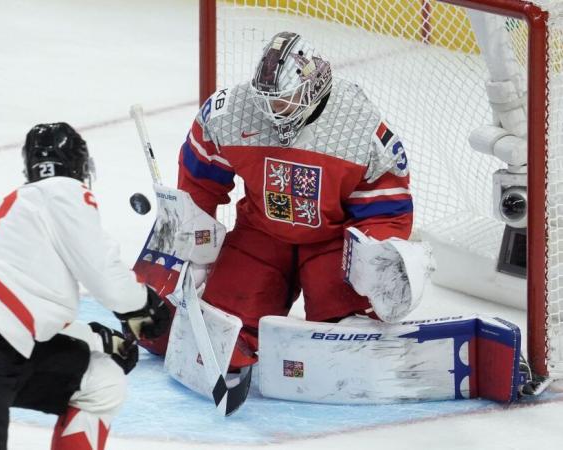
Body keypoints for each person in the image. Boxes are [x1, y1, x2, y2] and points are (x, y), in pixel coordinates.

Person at [140, 31, 412, 369]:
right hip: (262, 235)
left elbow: (385, 204)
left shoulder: (358, 126)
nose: (271, 111)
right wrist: (192, 250)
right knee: (225, 326)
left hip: (332, 243)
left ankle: (346, 322)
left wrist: (378, 258)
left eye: (282, 101)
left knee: (345, 335)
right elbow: (199, 180)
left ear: (312, 88)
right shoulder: (231, 112)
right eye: (266, 101)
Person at [0, 122, 170, 450]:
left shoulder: (23, 213)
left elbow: (19, 311)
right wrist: (143, 305)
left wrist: (97, 341)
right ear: (78, 165)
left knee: (101, 379)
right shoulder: (64, 192)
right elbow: (105, 275)